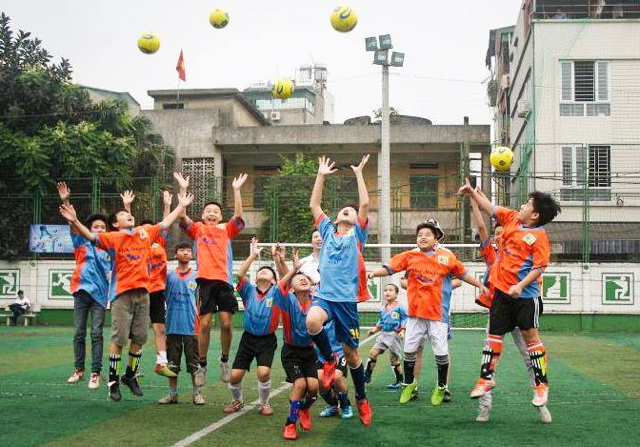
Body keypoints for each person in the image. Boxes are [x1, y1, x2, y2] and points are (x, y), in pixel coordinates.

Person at [59, 191, 194, 402]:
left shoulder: (144, 232)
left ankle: (130, 376)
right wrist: (75, 220)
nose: (128, 215)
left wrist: (180, 206)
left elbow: (165, 223)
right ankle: (113, 381)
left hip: (143, 293)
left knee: (139, 338)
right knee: (119, 339)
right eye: (123, 214)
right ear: (115, 223)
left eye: (128, 213)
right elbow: (90, 236)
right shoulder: (113, 238)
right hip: (122, 294)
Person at [458, 178, 561, 410]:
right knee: (493, 337)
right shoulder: (512, 218)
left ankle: (541, 385)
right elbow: (489, 207)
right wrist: (472, 193)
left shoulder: (539, 237)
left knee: (531, 340)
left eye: (527, 204)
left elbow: (539, 268)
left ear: (535, 215)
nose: (522, 206)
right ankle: (486, 378)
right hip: (502, 295)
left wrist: (521, 285)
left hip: (525, 297)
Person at [368, 219, 490, 406]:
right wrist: (374, 273)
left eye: (427, 235)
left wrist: (480, 284)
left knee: (440, 352)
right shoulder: (410, 256)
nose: (422, 237)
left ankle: (442, 387)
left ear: (436, 239)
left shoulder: (447, 257)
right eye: (419, 235)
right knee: (409, 350)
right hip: (415, 314)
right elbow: (390, 268)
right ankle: (409, 384)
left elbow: (463, 275)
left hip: (438, 315)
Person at [305, 155, 373, 426]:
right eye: (343, 209)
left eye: (351, 210)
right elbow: (314, 204)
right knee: (312, 321)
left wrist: (358, 173)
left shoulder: (357, 237)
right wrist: (321, 175)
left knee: (353, 355)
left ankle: (362, 398)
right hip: (325, 297)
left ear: (357, 220)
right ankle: (330, 360)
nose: (347, 210)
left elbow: (365, 203)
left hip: (346, 302)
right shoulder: (327, 231)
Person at [175, 172, 248, 386]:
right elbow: (182, 217)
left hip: (223, 282)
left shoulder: (226, 229)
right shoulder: (198, 229)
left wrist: (236, 190)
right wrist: (183, 190)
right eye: (208, 211)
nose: (212, 214)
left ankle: (225, 360)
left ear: (220, 216)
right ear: (203, 214)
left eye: (216, 211)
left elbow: (239, 216)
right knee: (204, 325)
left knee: (226, 323)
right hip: (205, 282)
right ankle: (202, 364)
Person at [57, 182, 111, 389]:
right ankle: (79, 370)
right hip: (81, 292)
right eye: (95, 227)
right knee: (79, 333)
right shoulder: (82, 243)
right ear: (89, 230)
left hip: (100, 295)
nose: (99, 229)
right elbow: (73, 222)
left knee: (96, 333)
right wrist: (65, 201)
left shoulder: (110, 248)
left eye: (102, 227)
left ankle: (95, 373)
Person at [121, 189, 176, 379]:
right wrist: (127, 206)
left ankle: (161, 363)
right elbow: (127, 227)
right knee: (137, 334)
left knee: (160, 329)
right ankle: (132, 368)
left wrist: (168, 205)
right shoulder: (134, 243)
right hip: (140, 291)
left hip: (157, 291)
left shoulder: (159, 240)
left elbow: (165, 224)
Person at [223, 238, 281, 416]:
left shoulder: (277, 292)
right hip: (247, 340)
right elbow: (240, 275)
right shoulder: (248, 290)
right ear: (256, 278)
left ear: (273, 281)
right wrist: (253, 255)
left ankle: (264, 403)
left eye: (268, 272)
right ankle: (237, 401)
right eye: (261, 270)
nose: (264, 272)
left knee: (263, 373)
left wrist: (277, 259)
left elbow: (287, 278)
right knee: (234, 377)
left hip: (267, 340)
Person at [273, 250, 319, 441]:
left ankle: (304, 409)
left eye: (305, 278)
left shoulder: (316, 301)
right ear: (291, 285)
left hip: (309, 351)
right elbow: (281, 285)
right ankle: (290, 424)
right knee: (300, 384)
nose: (302, 279)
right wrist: (294, 269)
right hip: (291, 351)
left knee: (314, 388)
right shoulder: (287, 299)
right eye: (298, 278)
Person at [157, 243, 205, 405]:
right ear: (175, 254)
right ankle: (172, 394)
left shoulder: (197, 276)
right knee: (172, 364)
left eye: (188, 251)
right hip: (172, 325)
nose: (185, 253)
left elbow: (201, 300)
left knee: (194, 363)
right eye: (182, 250)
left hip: (192, 326)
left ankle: (196, 394)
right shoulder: (168, 276)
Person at [364, 284, 407, 389]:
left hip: (394, 336)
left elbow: (405, 319)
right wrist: (374, 330)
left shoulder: (400, 307)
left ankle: (400, 381)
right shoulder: (383, 308)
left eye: (391, 290)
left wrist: (403, 330)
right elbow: (381, 322)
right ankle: (367, 375)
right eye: (385, 290)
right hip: (383, 335)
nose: (387, 292)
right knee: (373, 353)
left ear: (396, 294)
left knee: (394, 360)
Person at [315, 319, 354, 419]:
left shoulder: (337, 311)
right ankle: (334, 406)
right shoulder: (315, 313)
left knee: (337, 378)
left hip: (339, 352)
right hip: (322, 355)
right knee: (320, 380)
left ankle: (346, 406)